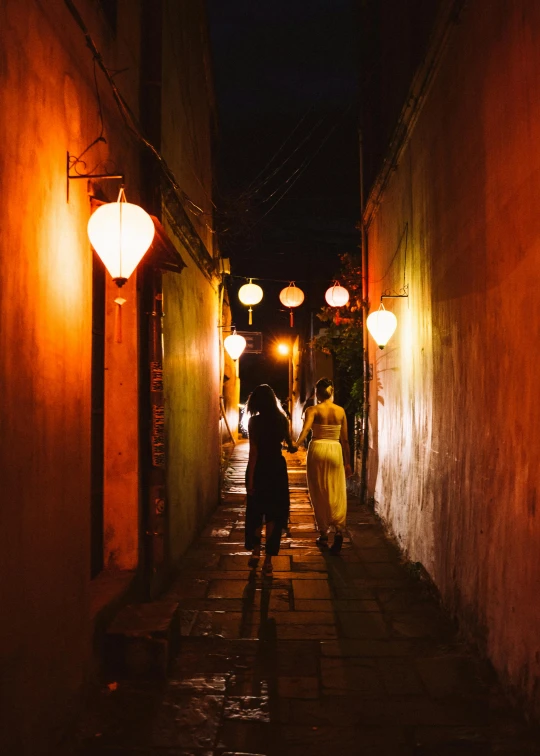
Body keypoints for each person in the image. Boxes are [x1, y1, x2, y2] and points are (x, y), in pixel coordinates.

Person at [295, 377, 352, 554]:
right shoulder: (340, 411)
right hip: (335, 449)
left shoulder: (313, 410)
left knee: (318, 490)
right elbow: (345, 440)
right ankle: (339, 531)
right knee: (336, 489)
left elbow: (305, 430)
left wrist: (296, 445)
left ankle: (323, 533)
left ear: (317, 393)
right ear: (331, 392)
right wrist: (348, 463)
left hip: (318, 448)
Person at [245, 384, 297, 575]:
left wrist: (250, 480)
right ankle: (268, 561)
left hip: (259, 470)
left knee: (257, 512)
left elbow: (254, 453)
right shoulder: (281, 419)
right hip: (277, 469)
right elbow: (290, 444)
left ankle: (256, 552)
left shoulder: (254, 422)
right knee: (274, 514)